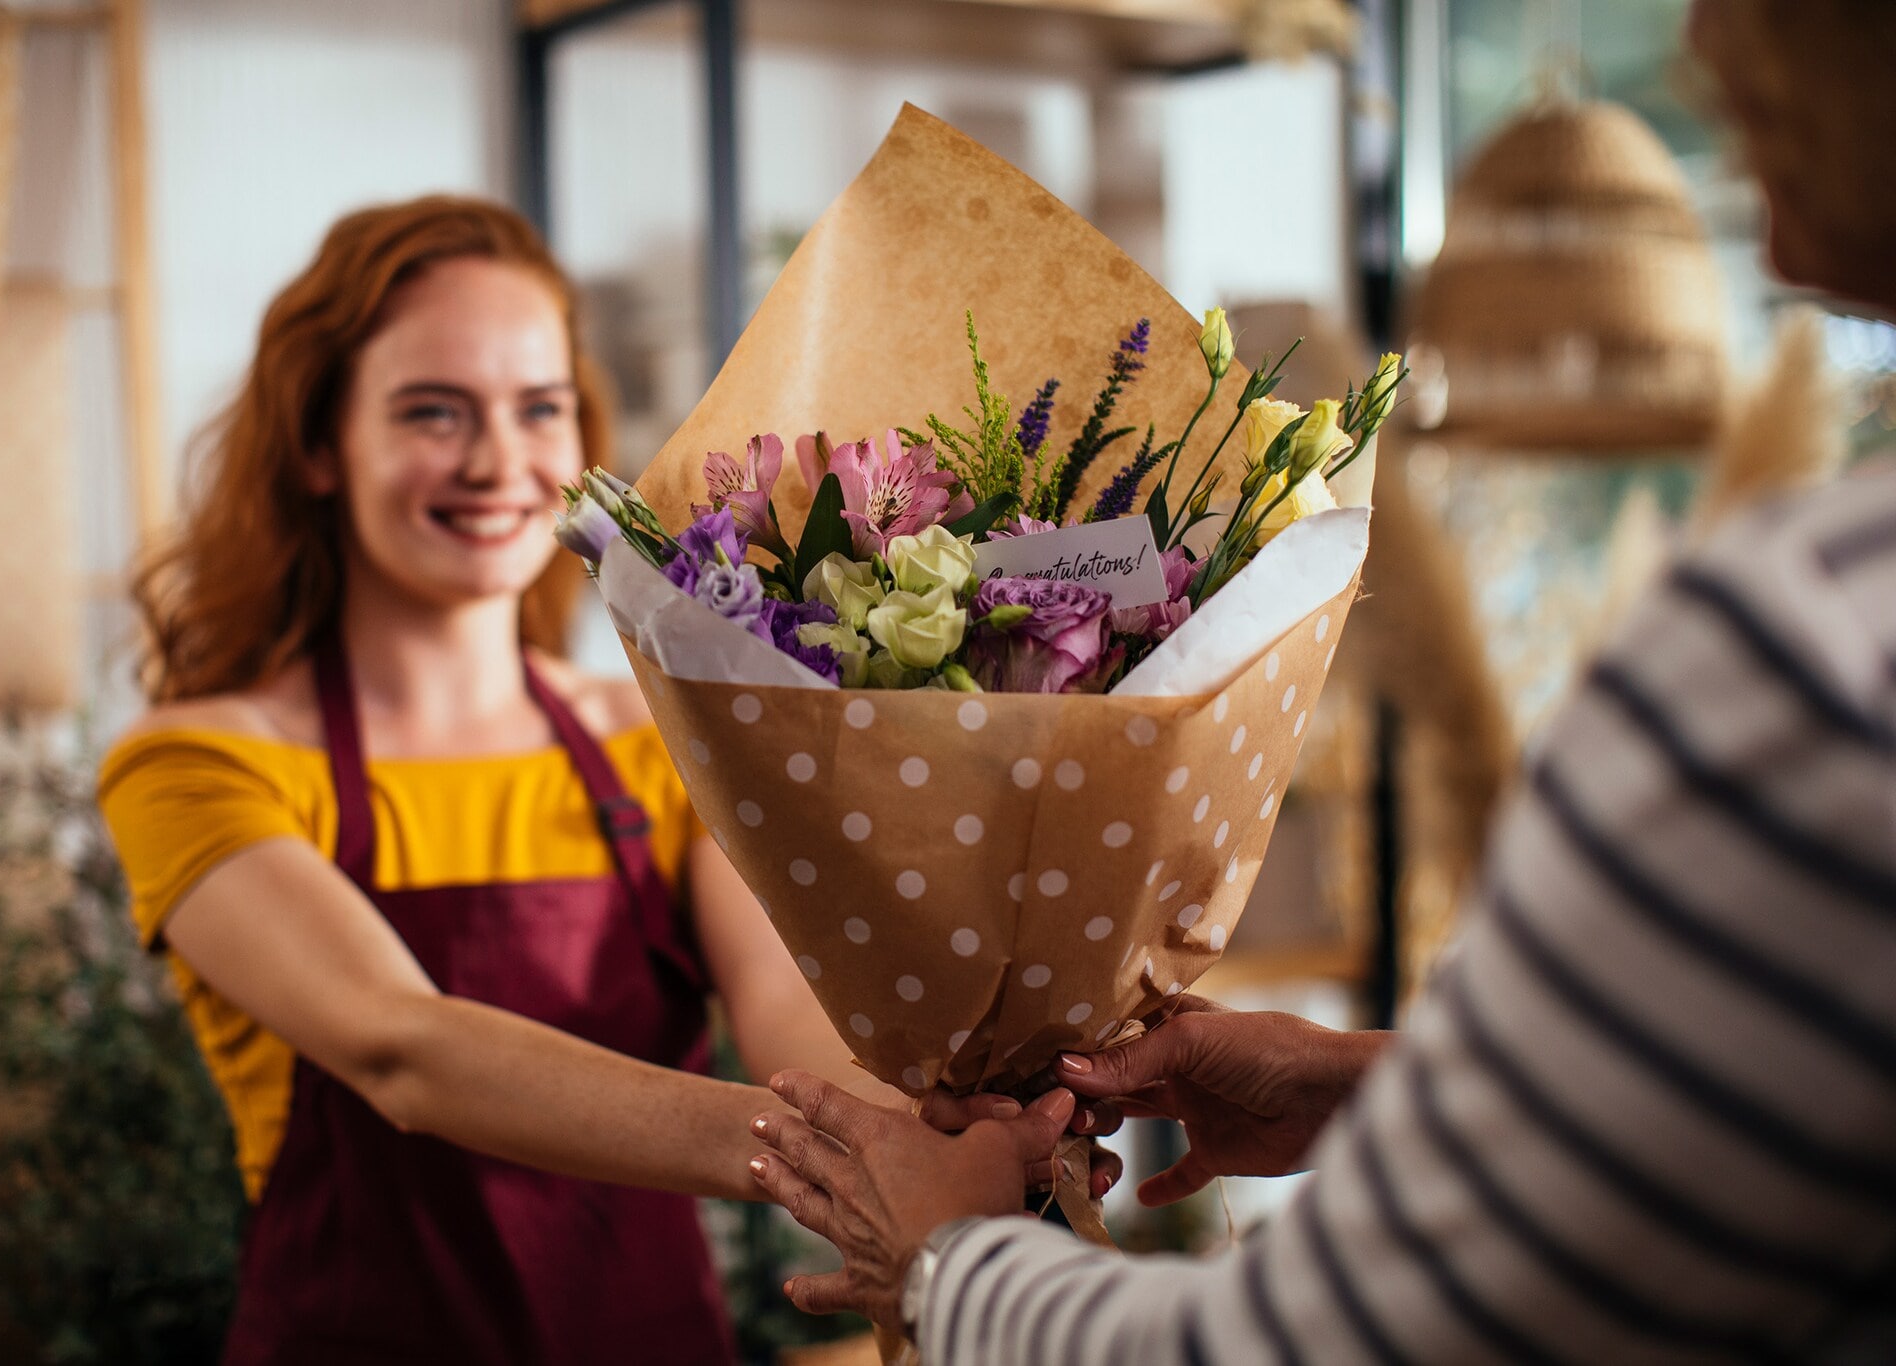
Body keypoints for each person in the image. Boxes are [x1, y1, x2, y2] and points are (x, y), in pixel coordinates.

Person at [745, 1, 1896, 1359]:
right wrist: (1399, 1092)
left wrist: (944, 1260)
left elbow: (1320, 1346)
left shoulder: (1812, 640)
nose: (1703, 35)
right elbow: (1780, 1119)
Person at [97, 196, 1023, 1364]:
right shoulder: (196, 761)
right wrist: (847, 1165)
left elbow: (788, 1012)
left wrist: (933, 1123)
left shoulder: (663, 735)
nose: (497, 461)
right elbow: (404, 1049)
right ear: (319, 444)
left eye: (537, 409)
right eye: (433, 412)